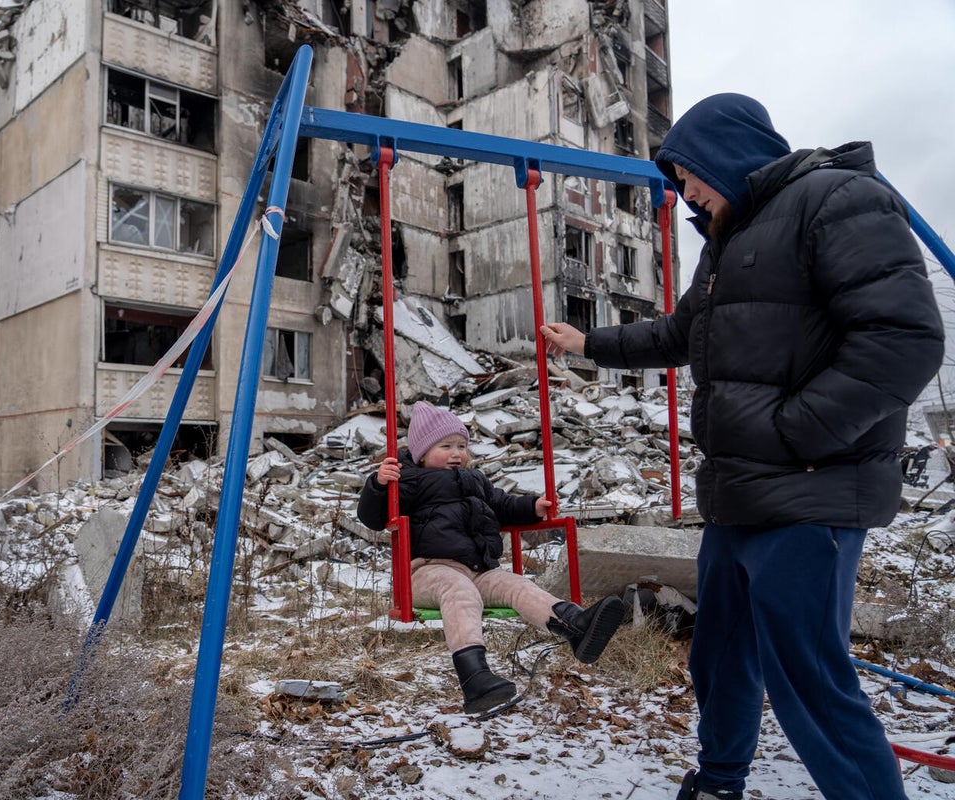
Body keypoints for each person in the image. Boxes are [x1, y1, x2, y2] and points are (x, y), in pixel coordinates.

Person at [540, 93, 944, 800]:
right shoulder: (728, 246)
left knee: (807, 680)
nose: (685, 192)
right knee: (720, 656)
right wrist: (588, 343)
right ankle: (719, 781)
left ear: (725, 154)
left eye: (689, 175)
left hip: (810, 493)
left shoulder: (838, 199)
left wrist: (801, 430)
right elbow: (675, 334)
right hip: (739, 497)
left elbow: (904, 339)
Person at [357, 401, 624, 713]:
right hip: (428, 572)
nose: (457, 453)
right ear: (422, 453)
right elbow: (373, 517)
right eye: (446, 446)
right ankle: (475, 677)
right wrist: (377, 485)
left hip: (479, 570)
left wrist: (532, 507)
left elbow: (504, 505)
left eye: (462, 446)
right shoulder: (409, 481)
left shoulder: (477, 481)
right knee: (459, 591)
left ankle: (576, 626)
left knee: (516, 585)